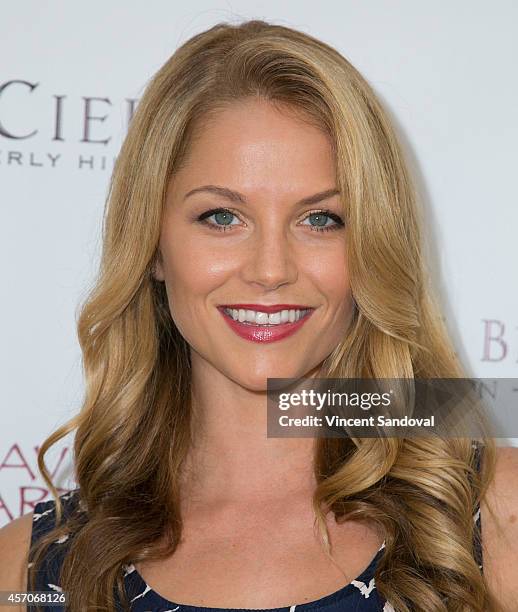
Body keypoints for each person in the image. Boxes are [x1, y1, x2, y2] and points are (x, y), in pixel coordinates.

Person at [1, 18, 517, 612]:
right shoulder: (32, 568)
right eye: (222, 217)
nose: (271, 270)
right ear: (152, 245)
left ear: (372, 248)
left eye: (320, 219)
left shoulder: (492, 515)